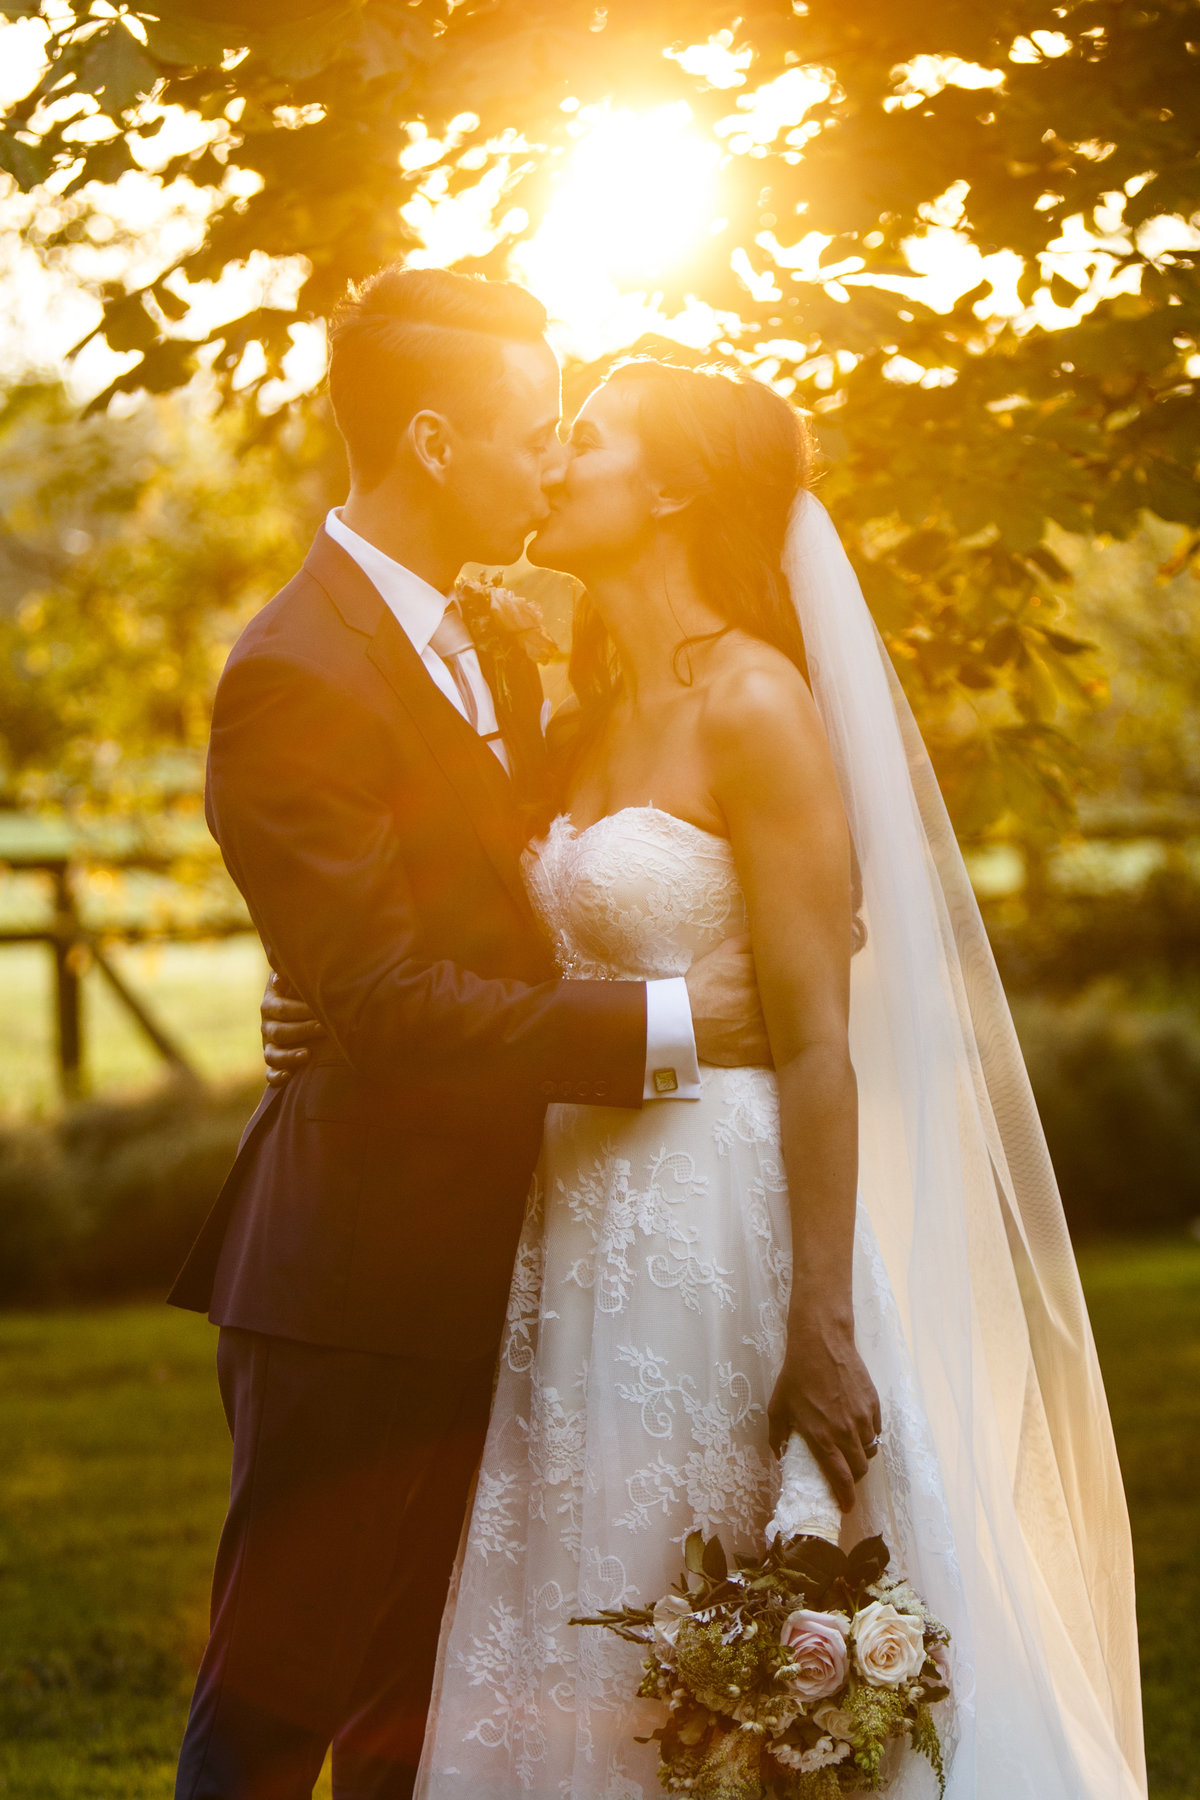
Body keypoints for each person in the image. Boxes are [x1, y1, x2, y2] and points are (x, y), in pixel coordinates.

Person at [269, 357, 1148, 1799]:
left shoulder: (757, 706)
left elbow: (816, 1044)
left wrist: (818, 1317)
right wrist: (316, 1005)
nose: (550, 463)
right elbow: (463, 943)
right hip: (567, 1223)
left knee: (736, 1583)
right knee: (576, 1603)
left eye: (587, 442)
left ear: (670, 486)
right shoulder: (570, 711)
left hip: (724, 1223)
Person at [168, 268, 771, 1800]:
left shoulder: (500, 647)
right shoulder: (295, 670)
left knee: (418, 1713)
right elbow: (379, 999)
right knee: (272, 1707)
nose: (554, 456)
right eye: (529, 428)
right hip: (353, 1279)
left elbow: (482, 918)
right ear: (435, 441)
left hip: (514, 1256)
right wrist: (664, 1021)